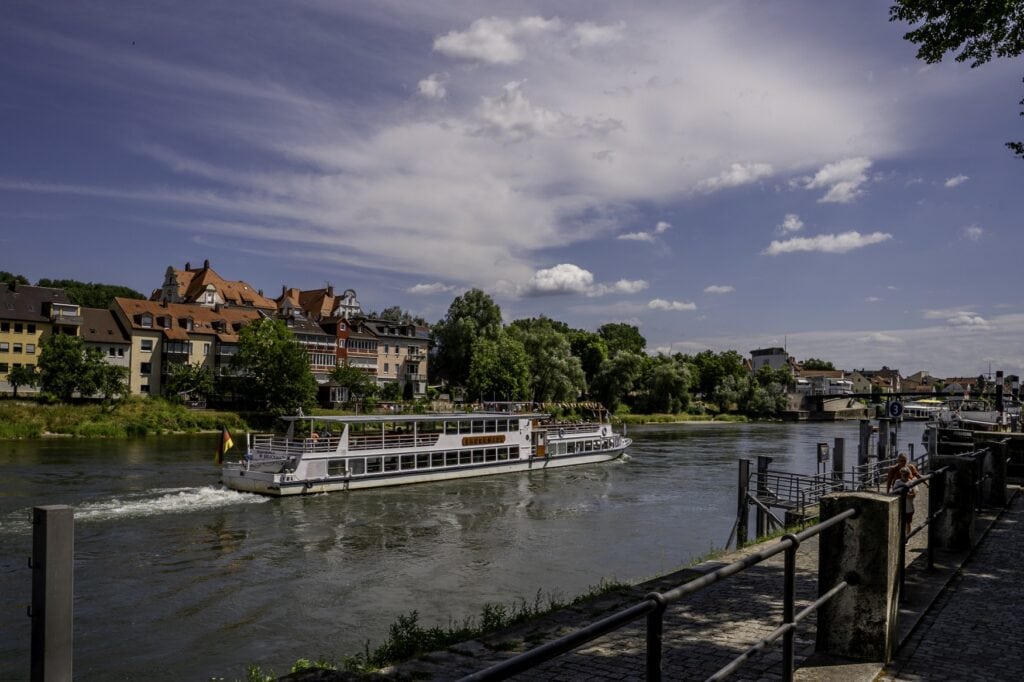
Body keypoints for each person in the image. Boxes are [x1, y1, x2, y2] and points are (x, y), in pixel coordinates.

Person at [891, 467, 916, 536]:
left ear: (908, 474)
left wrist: (907, 495)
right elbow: (894, 492)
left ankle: (907, 537)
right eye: (903, 474)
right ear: (901, 474)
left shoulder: (911, 482)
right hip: (899, 506)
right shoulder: (897, 482)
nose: (904, 476)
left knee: (908, 523)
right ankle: (900, 537)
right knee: (900, 522)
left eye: (906, 474)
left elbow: (914, 494)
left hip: (909, 507)